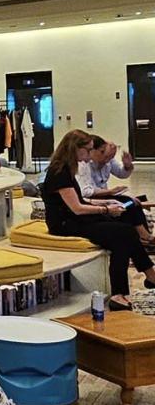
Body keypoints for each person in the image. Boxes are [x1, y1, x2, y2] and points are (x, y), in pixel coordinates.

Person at [41, 130, 155, 311]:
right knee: (124, 233)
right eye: (87, 150)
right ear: (75, 148)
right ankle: (132, 286)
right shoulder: (59, 172)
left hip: (73, 219)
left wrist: (107, 202)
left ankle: (134, 285)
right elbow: (77, 208)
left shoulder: (66, 168)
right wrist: (106, 209)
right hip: (65, 225)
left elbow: (80, 201)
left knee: (124, 231)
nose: (89, 155)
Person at [78, 135, 152, 246]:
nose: (107, 160)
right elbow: (86, 192)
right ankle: (143, 236)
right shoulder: (84, 164)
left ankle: (144, 236)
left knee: (133, 203)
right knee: (127, 203)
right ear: (93, 151)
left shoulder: (107, 160)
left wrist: (127, 165)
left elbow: (121, 173)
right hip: (92, 199)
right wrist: (110, 192)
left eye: (110, 157)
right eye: (104, 155)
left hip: (105, 196)